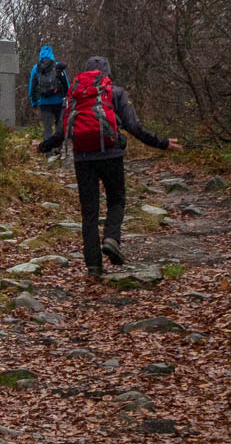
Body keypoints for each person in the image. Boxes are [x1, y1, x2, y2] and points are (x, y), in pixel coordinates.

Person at [38, 57, 182, 278]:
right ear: (106, 72)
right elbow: (134, 126)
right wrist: (162, 143)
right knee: (116, 199)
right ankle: (112, 239)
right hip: (111, 155)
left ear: (86, 72)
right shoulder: (115, 92)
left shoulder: (74, 95)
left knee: (89, 213)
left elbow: (61, 133)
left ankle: (93, 266)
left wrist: (42, 147)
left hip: (83, 158)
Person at [27, 45, 69, 141]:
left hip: (44, 102)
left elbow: (32, 87)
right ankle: (58, 150)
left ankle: (48, 152)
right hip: (58, 101)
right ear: (52, 54)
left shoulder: (36, 68)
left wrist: (34, 102)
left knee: (47, 128)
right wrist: (67, 98)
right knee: (59, 127)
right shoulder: (58, 66)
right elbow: (66, 83)